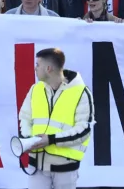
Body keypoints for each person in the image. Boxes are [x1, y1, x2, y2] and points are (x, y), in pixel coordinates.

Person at [18, 48, 94, 189]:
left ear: (48, 68)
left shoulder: (81, 92)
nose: (35, 69)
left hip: (65, 169)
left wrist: (51, 139)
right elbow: (24, 118)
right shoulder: (35, 89)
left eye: (37, 65)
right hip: (37, 167)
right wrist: (27, 140)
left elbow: (83, 130)